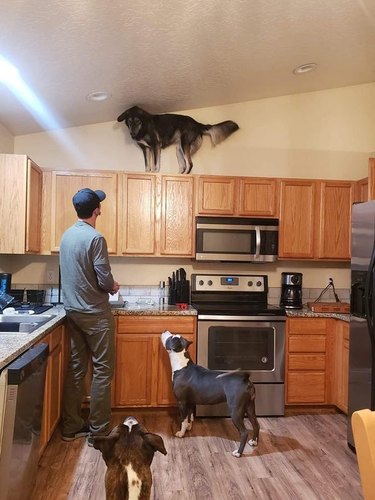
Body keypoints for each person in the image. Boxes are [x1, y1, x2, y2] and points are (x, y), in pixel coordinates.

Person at [59, 188, 119, 446]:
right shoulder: (95, 238)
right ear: (97, 210)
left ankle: (71, 427)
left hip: (73, 312)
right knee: (103, 371)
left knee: (76, 368)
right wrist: (113, 286)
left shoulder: (66, 236)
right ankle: (99, 432)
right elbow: (104, 279)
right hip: (95, 314)